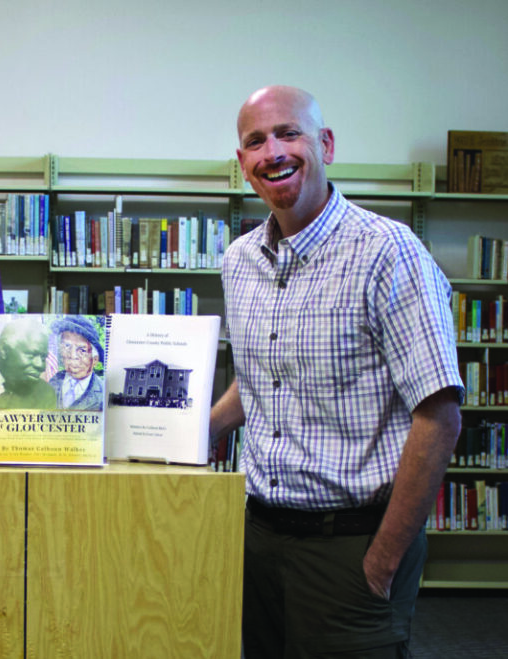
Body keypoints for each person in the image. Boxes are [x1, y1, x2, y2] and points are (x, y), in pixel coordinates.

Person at [209, 85, 463, 658]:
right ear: (243, 166)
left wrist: (384, 558)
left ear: (325, 144)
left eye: (288, 133)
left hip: (353, 545)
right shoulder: (239, 261)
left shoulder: (388, 252)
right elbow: (259, 379)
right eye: (255, 141)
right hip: (258, 536)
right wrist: (195, 431)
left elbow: (439, 415)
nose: (272, 151)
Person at [0, 317, 56, 409]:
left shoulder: (45, 394)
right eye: (31, 355)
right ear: (3, 349)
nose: (41, 365)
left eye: (43, 357)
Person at [49, 316, 104, 411]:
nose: (73, 356)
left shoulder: (103, 392)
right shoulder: (53, 381)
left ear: (94, 359)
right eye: (67, 346)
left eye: (82, 350)